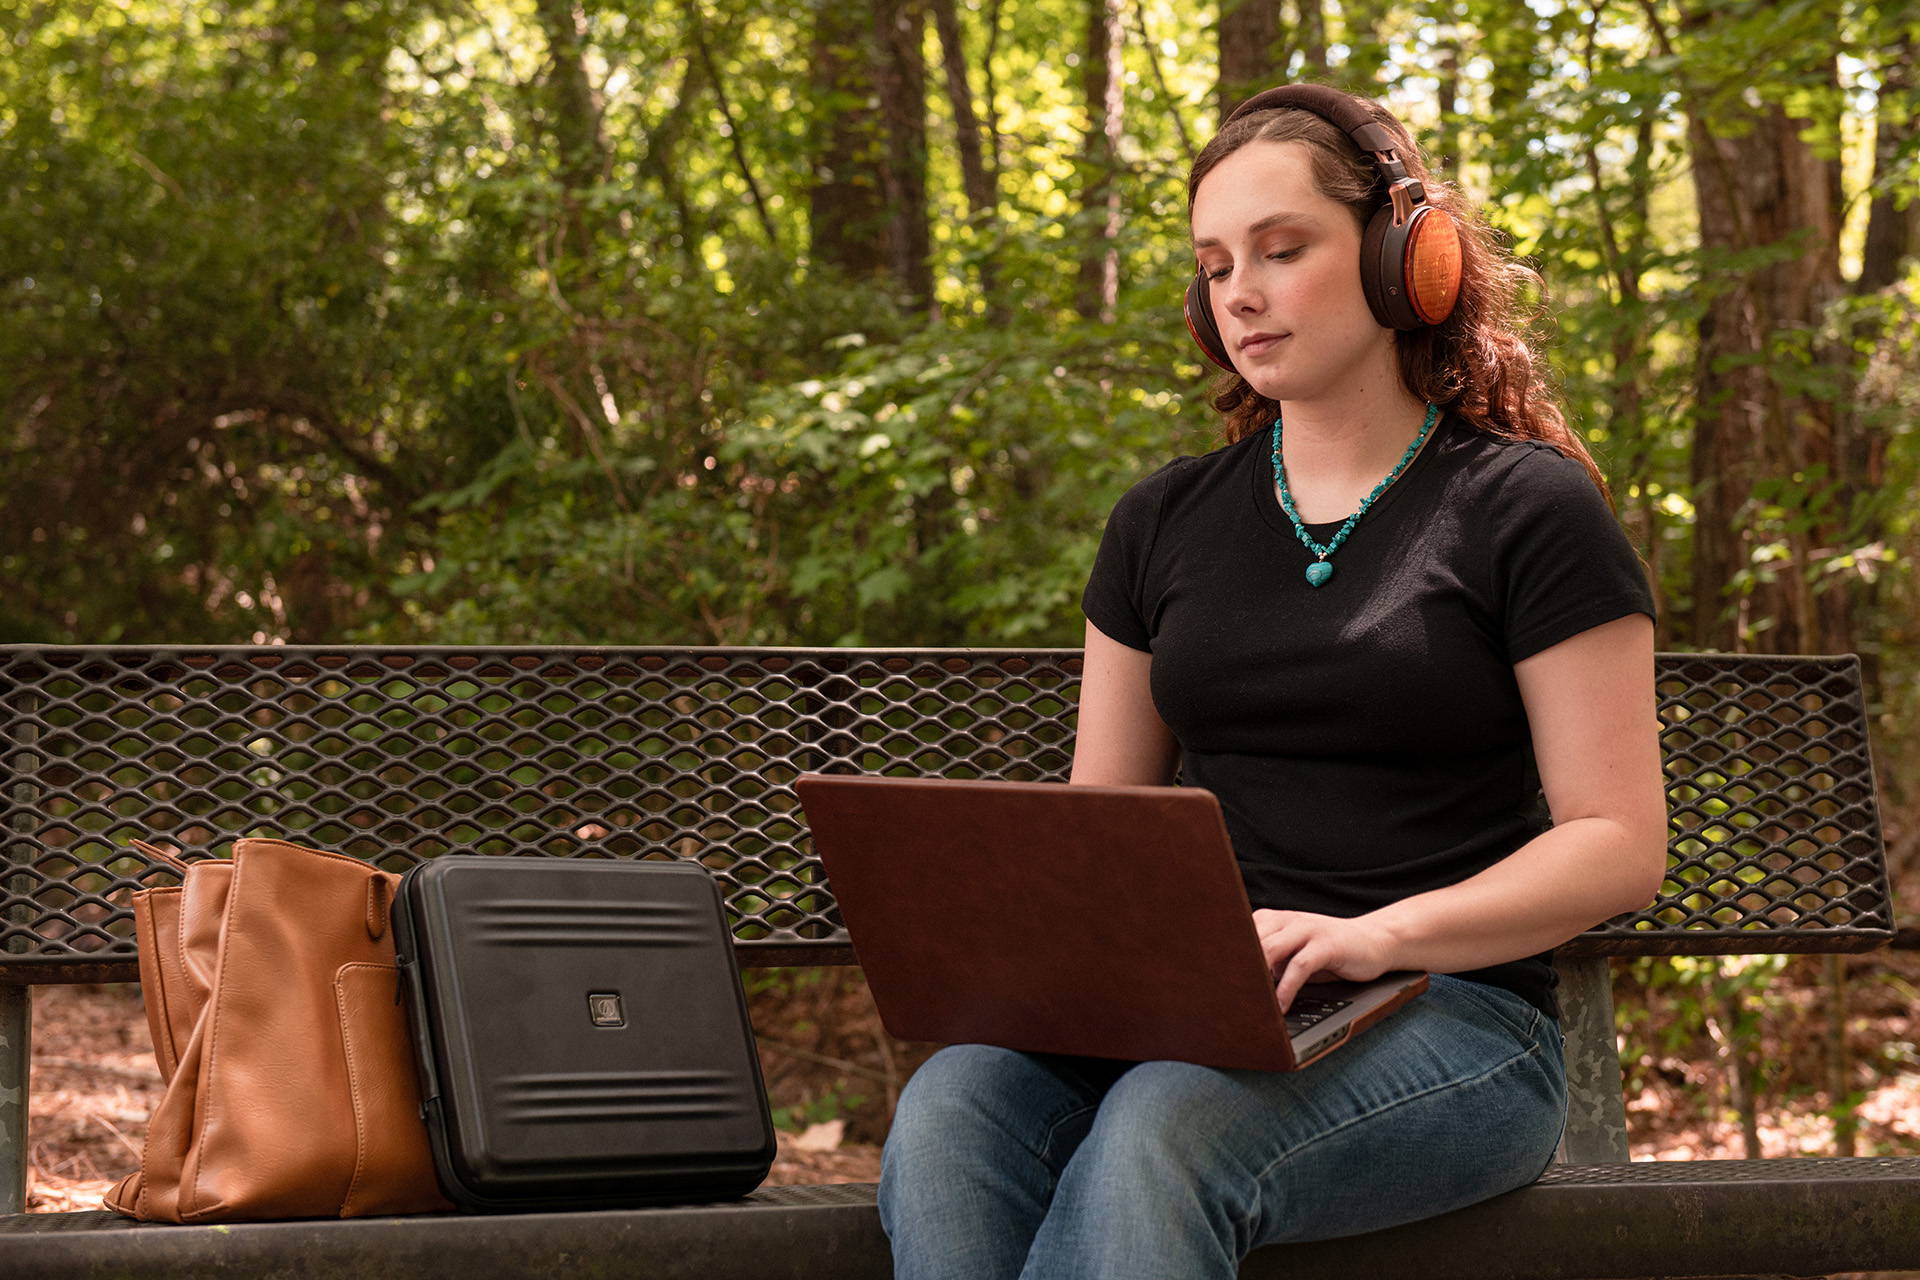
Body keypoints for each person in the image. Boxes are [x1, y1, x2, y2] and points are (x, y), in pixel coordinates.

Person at [876, 83, 1667, 1279]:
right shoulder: (1161, 521)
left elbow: (1618, 840)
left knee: (1167, 1130)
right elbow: (1105, 826)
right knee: (951, 1109)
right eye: (1213, 264)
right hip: (1191, 1013)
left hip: (1454, 1018)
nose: (1237, 290)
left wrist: (1370, 935)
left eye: (1281, 249)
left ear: (1409, 261)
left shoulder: (1522, 509)